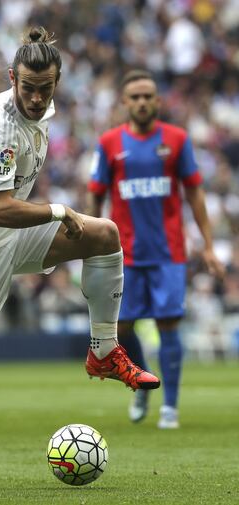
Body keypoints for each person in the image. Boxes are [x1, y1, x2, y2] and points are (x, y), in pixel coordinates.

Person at [0, 30, 160, 487]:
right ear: (12, 78)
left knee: (104, 234)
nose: (37, 98)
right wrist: (60, 210)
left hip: (11, 238)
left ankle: (103, 350)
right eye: (29, 88)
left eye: (46, 88)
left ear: (56, 82)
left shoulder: (31, 103)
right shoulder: (0, 123)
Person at [87, 69, 225, 429]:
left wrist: (208, 245)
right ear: (125, 102)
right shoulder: (109, 144)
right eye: (135, 97)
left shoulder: (177, 140)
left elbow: (194, 191)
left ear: (158, 101)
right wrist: (89, 243)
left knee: (168, 324)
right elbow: (96, 195)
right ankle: (143, 379)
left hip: (168, 253)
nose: (142, 102)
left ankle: (171, 408)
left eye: (148, 96)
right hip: (124, 254)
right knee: (123, 324)